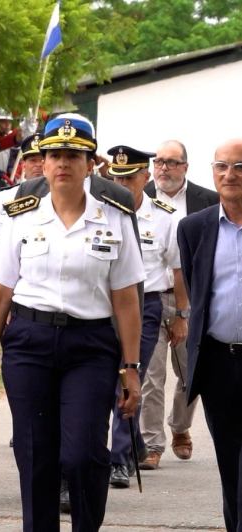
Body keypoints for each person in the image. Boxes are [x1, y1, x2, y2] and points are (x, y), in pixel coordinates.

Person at [0, 115, 145, 532]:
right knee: (36, 457)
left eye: (74, 156)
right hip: (29, 344)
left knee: (84, 454)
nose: (63, 163)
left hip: (90, 345)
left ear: (91, 164)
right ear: (43, 163)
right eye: (54, 155)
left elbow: (125, 300)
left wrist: (132, 368)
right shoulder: (19, 215)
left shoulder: (116, 216)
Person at [106, 145, 187, 489]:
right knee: (106, 377)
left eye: (130, 177)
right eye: (116, 176)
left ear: (145, 177)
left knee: (130, 376)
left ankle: (118, 459)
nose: (123, 184)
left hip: (147, 304)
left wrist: (181, 313)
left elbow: (178, 270)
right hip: (104, 304)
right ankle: (136, 442)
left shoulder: (166, 217)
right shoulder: (100, 212)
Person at [139, 139, 219, 469]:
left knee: (191, 372)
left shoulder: (208, 200)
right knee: (151, 375)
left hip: (195, 298)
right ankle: (151, 444)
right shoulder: (138, 195)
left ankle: (180, 426)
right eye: (159, 162)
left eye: (172, 162)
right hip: (151, 298)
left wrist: (186, 311)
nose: (164, 168)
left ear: (185, 167)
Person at [177, 138, 242, 531]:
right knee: (230, 463)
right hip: (218, 361)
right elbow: (195, 288)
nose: (230, 175)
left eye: (239, 167)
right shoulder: (194, 228)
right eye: (222, 166)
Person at [0, 132, 44, 285]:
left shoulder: (63, 201)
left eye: (43, 159)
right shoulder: (4, 198)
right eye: (32, 160)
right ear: (24, 165)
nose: (38, 164)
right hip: (5, 285)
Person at [0, 107, 18, 177]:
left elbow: (10, 158)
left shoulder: (9, 138)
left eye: (9, 122)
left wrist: (10, 169)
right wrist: (1, 174)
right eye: (3, 122)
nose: (7, 125)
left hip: (4, 177)